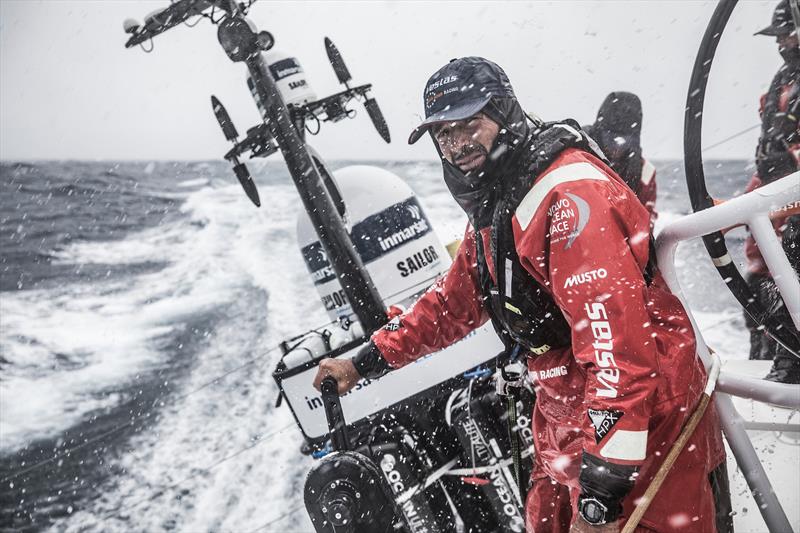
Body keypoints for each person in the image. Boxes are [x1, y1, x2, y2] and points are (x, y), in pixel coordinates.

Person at [313, 57, 729, 532]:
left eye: (470, 123)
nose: (456, 144)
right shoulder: (502, 198)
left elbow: (618, 355)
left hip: (641, 420)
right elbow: (452, 303)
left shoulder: (568, 200)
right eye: (443, 133)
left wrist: (600, 498)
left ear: (505, 112)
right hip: (563, 405)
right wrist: (363, 363)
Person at [745, 0, 800, 383]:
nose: (781, 43)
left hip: (791, 203)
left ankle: (789, 362)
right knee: (764, 282)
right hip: (775, 196)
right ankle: (775, 358)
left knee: (790, 270)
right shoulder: (784, 76)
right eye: (778, 37)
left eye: (787, 34)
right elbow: (772, 144)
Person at [584, 92, 658, 230]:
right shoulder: (576, 154)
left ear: (634, 140)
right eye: (610, 138)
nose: (616, 147)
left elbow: (647, 224)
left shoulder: (645, 173)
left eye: (625, 141)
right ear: (599, 132)